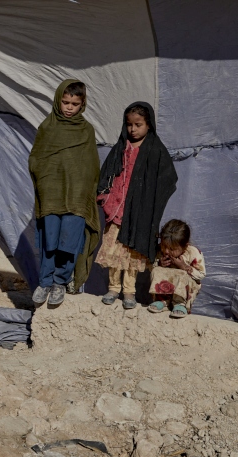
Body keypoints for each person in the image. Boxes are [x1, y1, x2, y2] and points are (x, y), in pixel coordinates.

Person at [96, 102, 177, 309]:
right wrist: (105, 198)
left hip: (138, 213)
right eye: (129, 124)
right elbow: (106, 174)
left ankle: (129, 292)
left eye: (138, 124)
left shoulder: (155, 150)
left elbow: (168, 179)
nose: (133, 129)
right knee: (114, 250)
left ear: (148, 124)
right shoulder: (121, 147)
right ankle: (113, 288)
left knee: (132, 252)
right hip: (117, 209)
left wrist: (150, 202)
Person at [28, 79, 101, 307]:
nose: (69, 107)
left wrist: (82, 189)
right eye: (66, 102)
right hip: (51, 195)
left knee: (69, 241)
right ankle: (45, 282)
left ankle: (61, 281)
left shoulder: (86, 130)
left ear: (83, 104)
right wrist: (46, 182)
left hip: (77, 198)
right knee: (49, 240)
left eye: (75, 104)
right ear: (58, 99)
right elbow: (37, 159)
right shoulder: (47, 127)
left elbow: (90, 166)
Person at [148, 220, 205, 318]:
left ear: (184, 246)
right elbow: (150, 268)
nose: (166, 251)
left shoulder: (193, 252)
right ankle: (163, 301)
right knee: (156, 270)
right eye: (164, 246)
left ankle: (179, 304)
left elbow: (201, 274)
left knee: (182, 274)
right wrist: (159, 263)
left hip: (186, 289)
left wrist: (185, 267)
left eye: (172, 249)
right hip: (165, 292)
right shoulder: (160, 251)